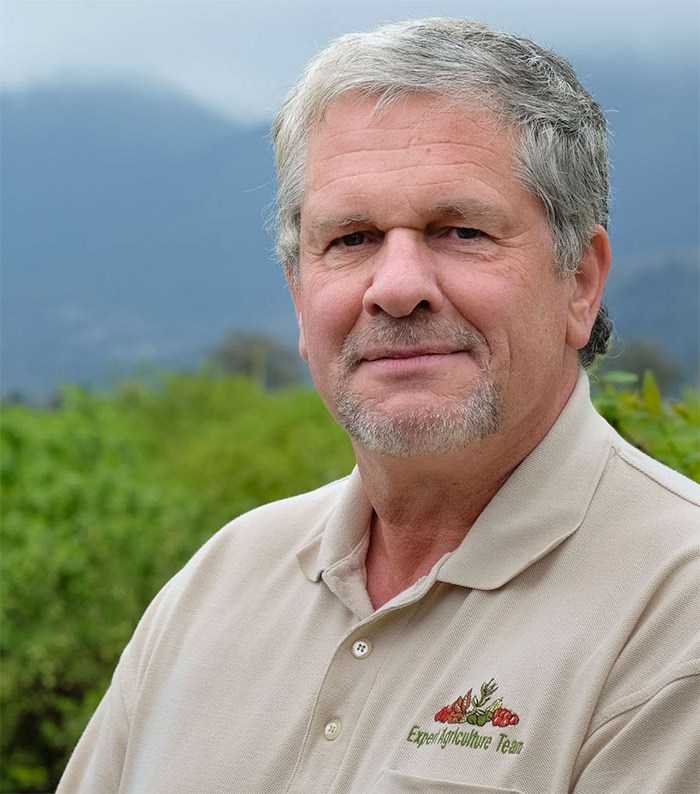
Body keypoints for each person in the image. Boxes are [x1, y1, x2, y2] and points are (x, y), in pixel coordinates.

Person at [58, 17, 699, 794]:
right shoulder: (219, 582)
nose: (396, 287)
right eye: (352, 239)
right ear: (299, 296)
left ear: (580, 283)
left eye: (458, 230)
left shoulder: (674, 610)